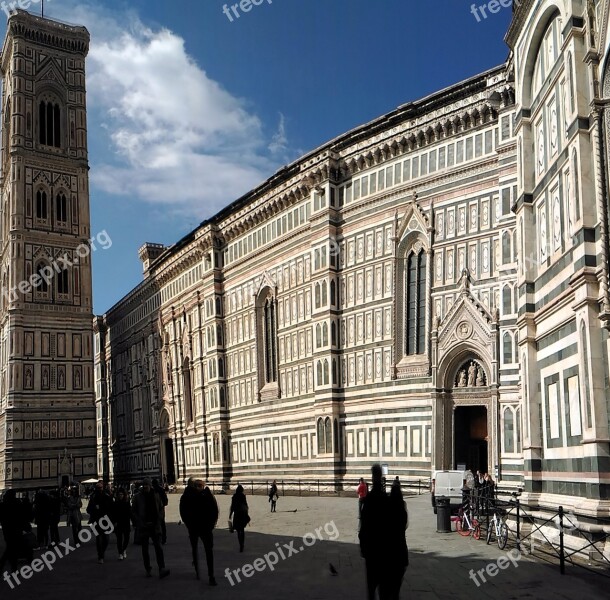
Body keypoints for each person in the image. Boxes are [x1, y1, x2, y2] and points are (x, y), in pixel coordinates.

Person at [359, 464, 406, 600]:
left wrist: (364, 547)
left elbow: (363, 527)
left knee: (372, 590)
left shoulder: (369, 501)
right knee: (387, 592)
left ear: (373, 477)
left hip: (372, 554)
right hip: (386, 554)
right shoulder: (388, 502)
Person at [179, 478, 218, 585]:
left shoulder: (207, 495)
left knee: (207, 551)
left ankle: (210, 575)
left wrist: (211, 525)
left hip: (204, 529)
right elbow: (183, 512)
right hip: (196, 528)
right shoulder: (189, 497)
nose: (200, 487)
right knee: (197, 549)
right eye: (198, 485)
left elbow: (214, 510)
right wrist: (189, 525)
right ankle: (199, 569)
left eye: (201, 485)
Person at [131, 479, 170, 578]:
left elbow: (161, 508)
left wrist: (159, 519)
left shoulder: (156, 495)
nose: (145, 487)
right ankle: (148, 568)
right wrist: (139, 521)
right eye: (144, 485)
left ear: (150, 485)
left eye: (147, 485)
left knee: (158, 547)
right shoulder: (137, 497)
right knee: (145, 549)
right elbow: (133, 511)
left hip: (155, 526)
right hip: (144, 526)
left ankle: (162, 568)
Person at [0, 490, 32, 574]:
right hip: (16, 529)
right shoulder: (17, 503)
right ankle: (10, 567)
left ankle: (12, 568)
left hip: (7, 530)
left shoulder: (3, 505)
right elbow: (22, 517)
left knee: (11, 548)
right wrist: (26, 526)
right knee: (11, 549)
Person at [387, 482, 409, 600]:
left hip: (389, 547)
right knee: (398, 575)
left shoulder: (387, 506)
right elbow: (405, 525)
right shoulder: (402, 506)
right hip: (400, 546)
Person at [86, 481, 114, 564]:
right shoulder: (93, 497)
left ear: (103, 488)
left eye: (100, 488)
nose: (99, 489)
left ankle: (102, 552)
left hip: (106, 521)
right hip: (96, 521)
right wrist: (94, 508)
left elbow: (111, 508)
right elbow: (88, 509)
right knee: (98, 539)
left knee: (106, 539)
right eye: (98, 488)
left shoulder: (107, 496)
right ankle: (100, 556)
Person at [229, 485, 250, 552]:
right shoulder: (243, 496)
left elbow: (232, 506)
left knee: (238, 530)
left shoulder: (234, 496)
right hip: (242, 514)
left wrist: (230, 514)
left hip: (237, 515)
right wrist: (247, 514)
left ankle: (240, 543)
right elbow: (245, 505)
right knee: (242, 530)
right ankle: (242, 544)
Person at [113, 488, 131, 560]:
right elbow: (113, 514)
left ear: (124, 495)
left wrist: (134, 522)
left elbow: (130, 513)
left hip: (126, 522)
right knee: (119, 539)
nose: (120, 496)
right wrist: (114, 522)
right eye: (119, 495)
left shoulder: (127, 503)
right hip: (118, 523)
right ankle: (120, 553)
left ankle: (124, 550)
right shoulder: (115, 504)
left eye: (122, 494)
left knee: (127, 538)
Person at [152, 478, 168, 545]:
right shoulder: (161, 490)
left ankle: (156, 539)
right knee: (162, 524)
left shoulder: (152, 491)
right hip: (161, 509)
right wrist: (163, 505)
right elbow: (165, 501)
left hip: (154, 510)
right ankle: (163, 539)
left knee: (155, 524)